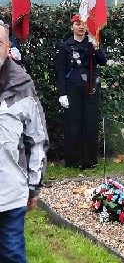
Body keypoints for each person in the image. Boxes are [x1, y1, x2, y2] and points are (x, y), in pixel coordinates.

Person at [0, 22, 49, 263]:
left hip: (10, 196)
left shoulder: (22, 87)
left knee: (12, 255)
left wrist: (33, 186)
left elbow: (37, 141)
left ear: (8, 47)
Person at [55, 15, 106, 169]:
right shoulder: (65, 46)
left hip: (90, 89)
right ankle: (73, 160)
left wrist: (96, 46)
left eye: (83, 24)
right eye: (77, 24)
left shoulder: (92, 43)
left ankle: (90, 160)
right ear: (72, 27)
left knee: (90, 124)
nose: (81, 27)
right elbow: (60, 71)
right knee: (73, 125)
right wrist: (62, 93)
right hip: (73, 89)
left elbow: (103, 61)